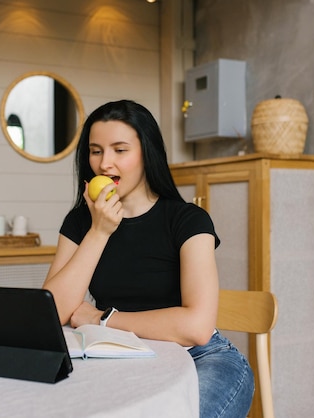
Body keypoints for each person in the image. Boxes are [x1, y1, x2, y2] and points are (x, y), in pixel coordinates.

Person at [43, 99, 254, 417]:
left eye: (120, 150)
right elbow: (52, 313)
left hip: (200, 357)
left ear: (147, 153)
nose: (104, 164)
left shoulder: (188, 220)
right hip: (119, 356)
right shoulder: (81, 223)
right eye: (96, 150)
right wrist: (99, 232)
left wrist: (103, 318)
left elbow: (196, 327)